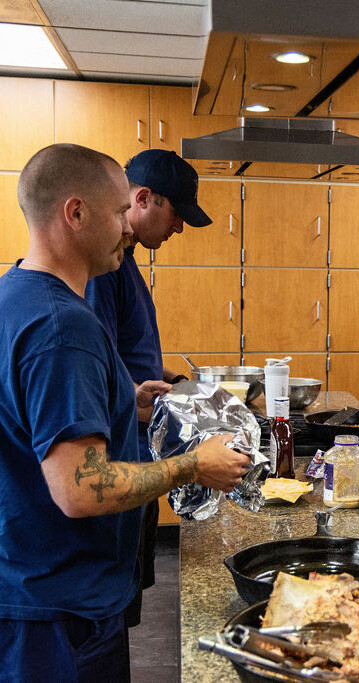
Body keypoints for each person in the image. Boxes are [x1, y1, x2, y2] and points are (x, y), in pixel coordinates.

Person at [0, 143, 249, 680]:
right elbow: (79, 488)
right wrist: (193, 465)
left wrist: (120, 401)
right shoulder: (62, 327)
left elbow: (29, 421)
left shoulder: (13, 296)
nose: (126, 228)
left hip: (28, 584)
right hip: (62, 610)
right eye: (118, 213)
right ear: (76, 213)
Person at [85, 148, 213, 627]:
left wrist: (172, 387)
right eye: (177, 214)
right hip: (119, 459)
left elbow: (126, 359)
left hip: (136, 455)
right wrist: (140, 402)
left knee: (126, 602)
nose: (179, 228)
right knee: (114, 612)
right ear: (143, 199)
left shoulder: (126, 266)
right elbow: (97, 373)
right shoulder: (104, 272)